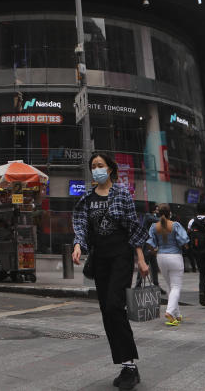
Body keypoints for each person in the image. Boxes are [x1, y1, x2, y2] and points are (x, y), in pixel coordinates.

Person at [71, 152, 147, 390]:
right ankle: (127, 365)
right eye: (93, 166)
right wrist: (77, 246)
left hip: (121, 257)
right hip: (100, 259)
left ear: (111, 168)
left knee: (115, 306)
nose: (96, 169)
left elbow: (133, 227)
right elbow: (81, 225)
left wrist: (141, 260)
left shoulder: (122, 193)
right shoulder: (87, 198)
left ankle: (130, 368)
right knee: (107, 311)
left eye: (100, 165)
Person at [146, 204, 188, 326]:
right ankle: (169, 312)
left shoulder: (154, 226)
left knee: (170, 286)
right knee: (176, 287)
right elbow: (184, 241)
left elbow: (149, 243)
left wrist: (155, 250)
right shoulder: (176, 225)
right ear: (170, 213)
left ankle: (176, 314)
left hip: (161, 257)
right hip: (175, 256)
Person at [135, 207, 162, 292]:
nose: (158, 211)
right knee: (145, 263)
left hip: (152, 244)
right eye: (157, 209)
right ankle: (138, 285)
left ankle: (156, 284)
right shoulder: (148, 216)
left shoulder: (151, 217)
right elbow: (159, 220)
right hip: (147, 244)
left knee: (154, 265)